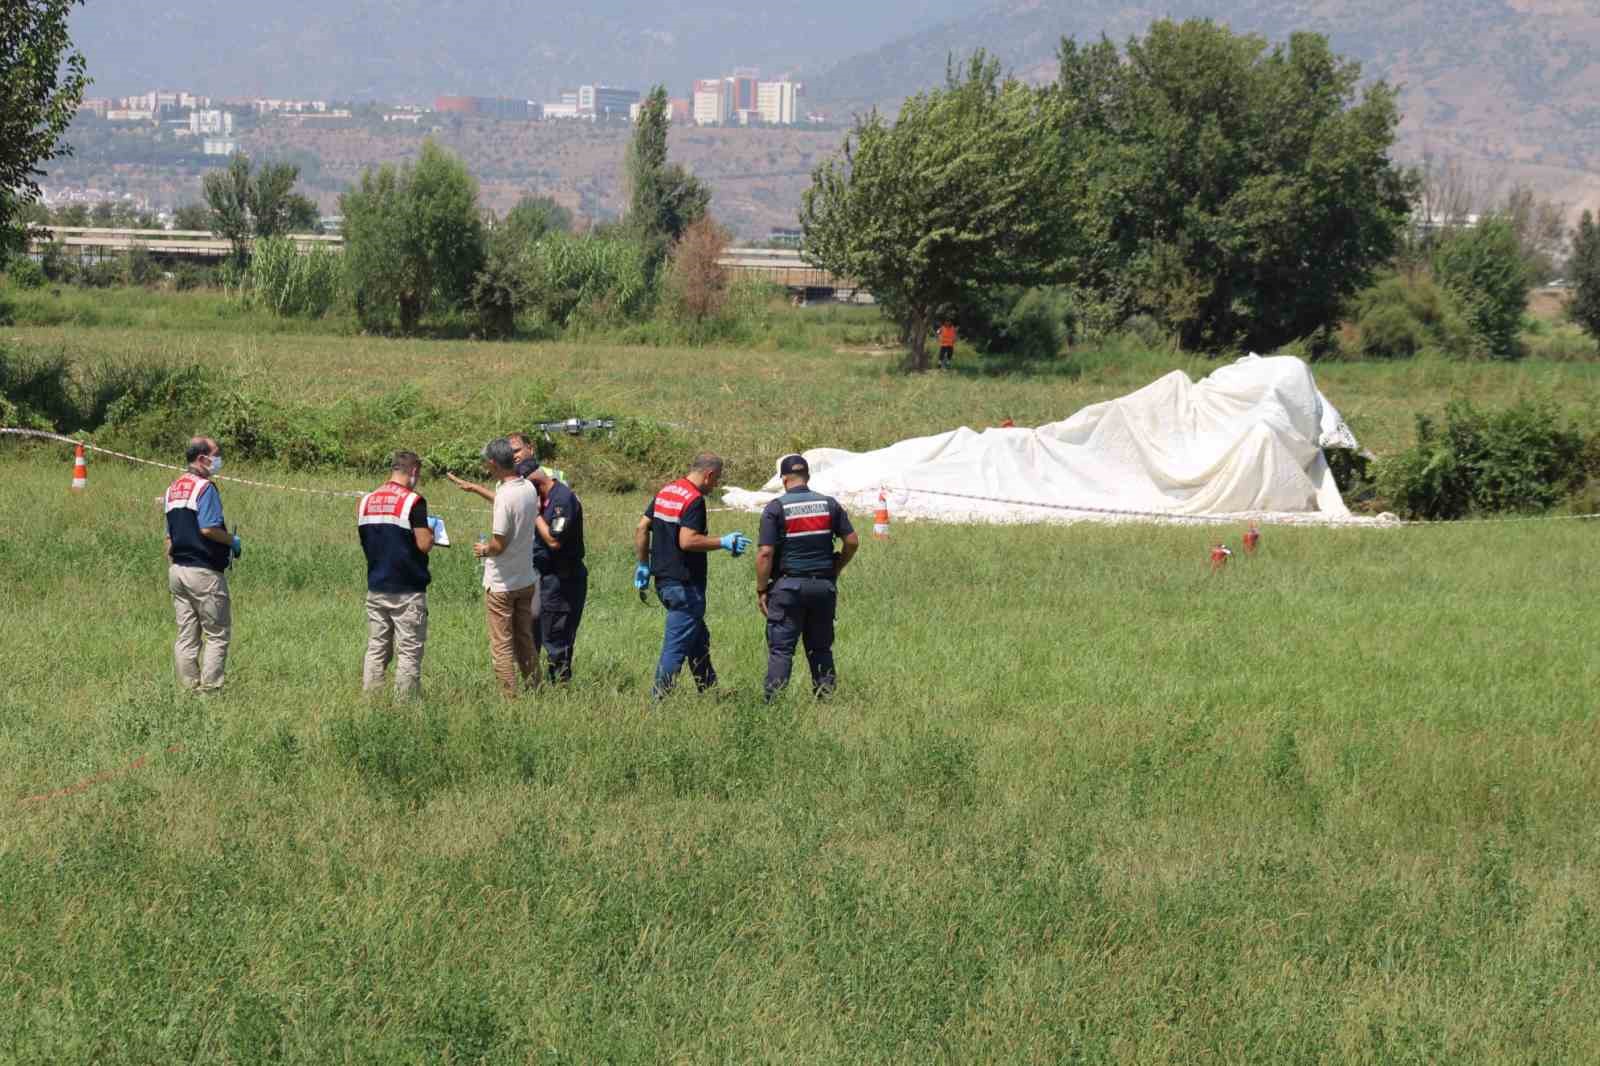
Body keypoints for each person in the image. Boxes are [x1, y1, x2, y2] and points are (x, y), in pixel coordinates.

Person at [634, 452, 750, 699]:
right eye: (716, 479)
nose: (715, 484)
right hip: (685, 585)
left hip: (663, 582)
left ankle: (710, 693)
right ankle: (659, 702)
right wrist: (723, 541)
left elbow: (642, 526)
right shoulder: (695, 500)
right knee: (675, 647)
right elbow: (687, 541)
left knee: (698, 639)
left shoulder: (667, 491)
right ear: (708, 475)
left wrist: (643, 564)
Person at [755, 454, 860, 700]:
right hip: (823, 587)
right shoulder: (829, 504)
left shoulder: (776, 507)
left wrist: (761, 589)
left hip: (788, 587)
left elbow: (765, 553)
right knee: (820, 648)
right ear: (808, 477)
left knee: (781, 650)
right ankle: (825, 701)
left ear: (784, 479)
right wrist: (836, 568)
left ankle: (774, 705)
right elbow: (852, 542)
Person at [357, 450, 442, 699]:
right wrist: (432, 533)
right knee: (408, 650)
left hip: (376, 584)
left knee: (376, 648)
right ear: (413, 471)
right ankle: (404, 706)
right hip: (407, 589)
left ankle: (371, 700)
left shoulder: (366, 500)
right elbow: (424, 544)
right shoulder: (414, 502)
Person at [163, 435, 239, 692]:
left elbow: (168, 539)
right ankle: (211, 692)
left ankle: (188, 690)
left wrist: (173, 565)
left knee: (186, 636)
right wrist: (232, 540)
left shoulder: (172, 489)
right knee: (217, 634)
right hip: (203, 571)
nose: (218, 459)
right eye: (216, 454)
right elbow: (208, 529)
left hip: (177, 571)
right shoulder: (205, 488)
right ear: (202, 458)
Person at [473, 437, 542, 698]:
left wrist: (483, 550)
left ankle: (509, 698)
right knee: (525, 639)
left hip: (501, 584)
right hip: (525, 579)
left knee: (501, 645)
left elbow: (498, 544)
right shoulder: (528, 488)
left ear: (493, 463)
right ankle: (535, 688)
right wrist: (476, 489)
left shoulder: (504, 497)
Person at [527, 465, 586, 683]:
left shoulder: (562, 499)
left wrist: (534, 513)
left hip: (562, 579)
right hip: (544, 575)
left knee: (556, 636)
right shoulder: (545, 496)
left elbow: (554, 540)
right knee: (538, 631)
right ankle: (535, 683)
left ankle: (560, 687)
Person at [446, 432, 541, 501]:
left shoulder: (545, 475)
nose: (514, 456)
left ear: (530, 449)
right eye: (510, 453)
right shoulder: (505, 482)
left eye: (517, 451)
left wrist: (475, 488)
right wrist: (474, 488)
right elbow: (504, 502)